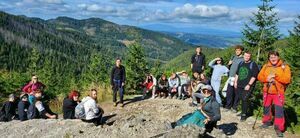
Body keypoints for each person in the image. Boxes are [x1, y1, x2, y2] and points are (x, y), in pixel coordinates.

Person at [257, 51, 291, 137]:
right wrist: (267, 79)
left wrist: (275, 76)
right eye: (271, 57)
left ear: (278, 57)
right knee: (266, 107)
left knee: (279, 110)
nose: (273, 59)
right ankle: (267, 122)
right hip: (267, 91)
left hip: (278, 92)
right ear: (269, 58)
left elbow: (287, 79)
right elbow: (259, 77)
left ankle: (279, 128)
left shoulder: (284, 67)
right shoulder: (266, 66)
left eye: (275, 57)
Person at [233, 51, 259, 121]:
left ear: (250, 57)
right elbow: (237, 73)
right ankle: (243, 111)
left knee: (244, 99)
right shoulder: (241, 63)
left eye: (248, 56)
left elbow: (254, 76)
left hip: (248, 85)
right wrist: (235, 82)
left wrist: (249, 84)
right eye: (245, 56)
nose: (246, 57)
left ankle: (243, 115)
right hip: (239, 84)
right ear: (243, 56)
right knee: (242, 98)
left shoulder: (253, 64)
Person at [225, 45, 244, 112]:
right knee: (229, 92)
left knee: (237, 93)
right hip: (231, 77)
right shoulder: (233, 57)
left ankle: (234, 107)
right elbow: (228, 67)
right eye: (236, 50)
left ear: (241, 51)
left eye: (238, 50)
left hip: (238, 79)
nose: (237, 51)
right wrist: (229, 64)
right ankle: (228, 106)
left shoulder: (243, 59)